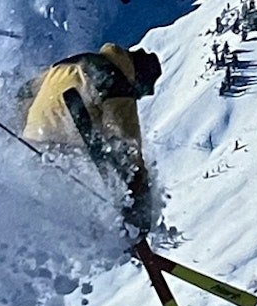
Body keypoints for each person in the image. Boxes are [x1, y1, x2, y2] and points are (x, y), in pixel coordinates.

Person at [22, 42, 162, 240]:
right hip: (67, 148)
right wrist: (140, 200)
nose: (138, 96)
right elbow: (127, 144)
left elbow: (25, 92)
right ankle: (114, 230)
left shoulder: (74, 63)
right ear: (138, 78)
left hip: (33, 141)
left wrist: (9, 128)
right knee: (102, 171)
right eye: (143, 90)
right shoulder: (117, 84)